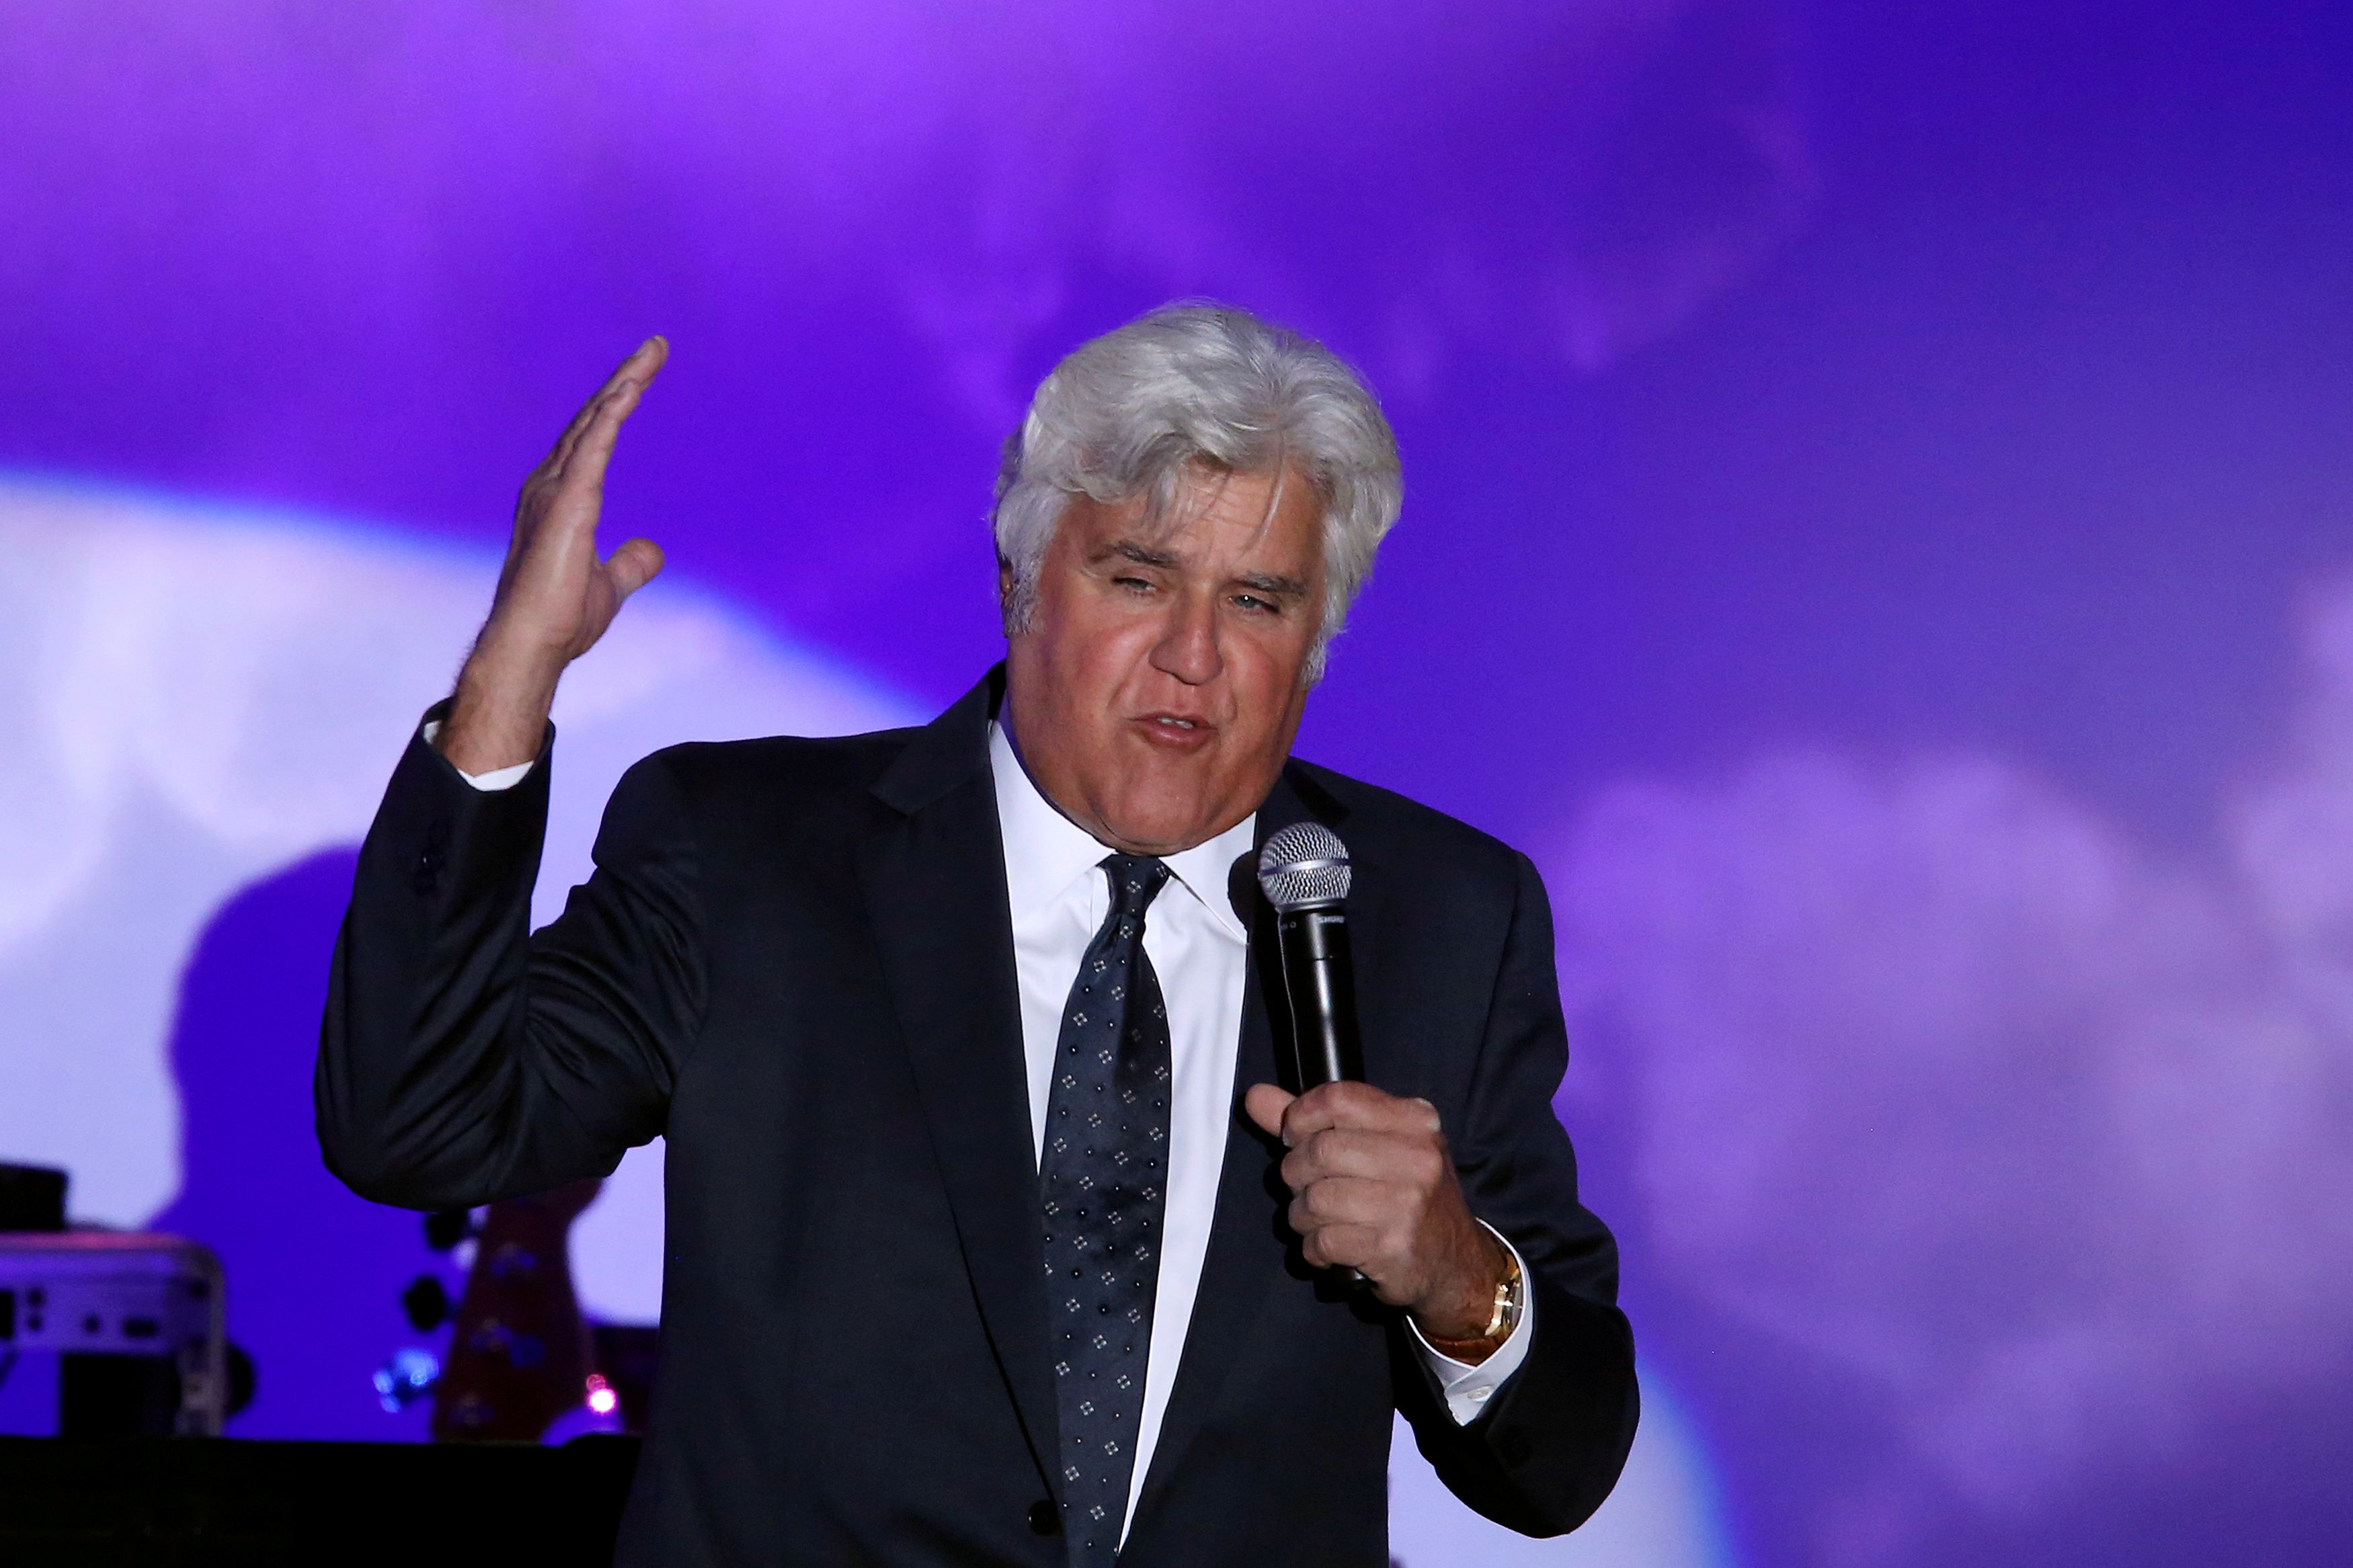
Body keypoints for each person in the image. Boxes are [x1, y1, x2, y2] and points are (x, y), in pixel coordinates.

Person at [317, 304, 1636, 1566]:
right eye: (1138, 577)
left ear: (1317, 640)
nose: (1192, 655)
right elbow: (416, 1126)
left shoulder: (1443, 921)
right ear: (1019, 584)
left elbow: (1563, 1468)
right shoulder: (745, 852)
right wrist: (512, 674)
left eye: (1256, 600)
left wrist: (1458, 1278)